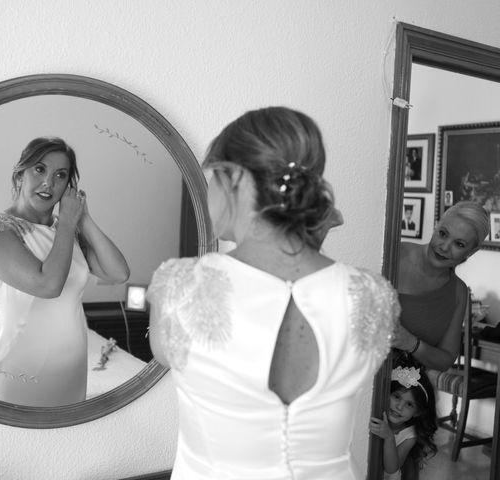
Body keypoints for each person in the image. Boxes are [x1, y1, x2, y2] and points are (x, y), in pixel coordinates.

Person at [147, 106, 400, 479]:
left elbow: (164, 354)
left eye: (212, 177)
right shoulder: (374, 296)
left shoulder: (178, 286)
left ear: (232, 177)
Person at [0, 136, 129, 407]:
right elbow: (49, 286)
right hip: (16, 371)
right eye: (39, 169)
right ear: (19, 174)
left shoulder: (67, 230)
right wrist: (68, 224)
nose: (49, 182)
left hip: (70, 371)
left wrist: (83, 218)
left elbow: (119, 273)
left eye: (61, 175)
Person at [392, 201, 489, 371]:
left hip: (404, 392)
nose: (444, 247)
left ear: (471, 252)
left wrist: (411, 343)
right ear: (436, 227)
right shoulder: (395, 254)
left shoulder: (459, 292)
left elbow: (445, 359)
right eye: (443, 234)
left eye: (459, 244)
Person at [369, 366, 437, 480]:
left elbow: (391, 470)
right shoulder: (375, 412)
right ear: (387, 393)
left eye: (409, 404)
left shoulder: (410, 435)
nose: (399, 407)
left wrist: (389, 437)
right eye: (397, 397)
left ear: (417, 412)